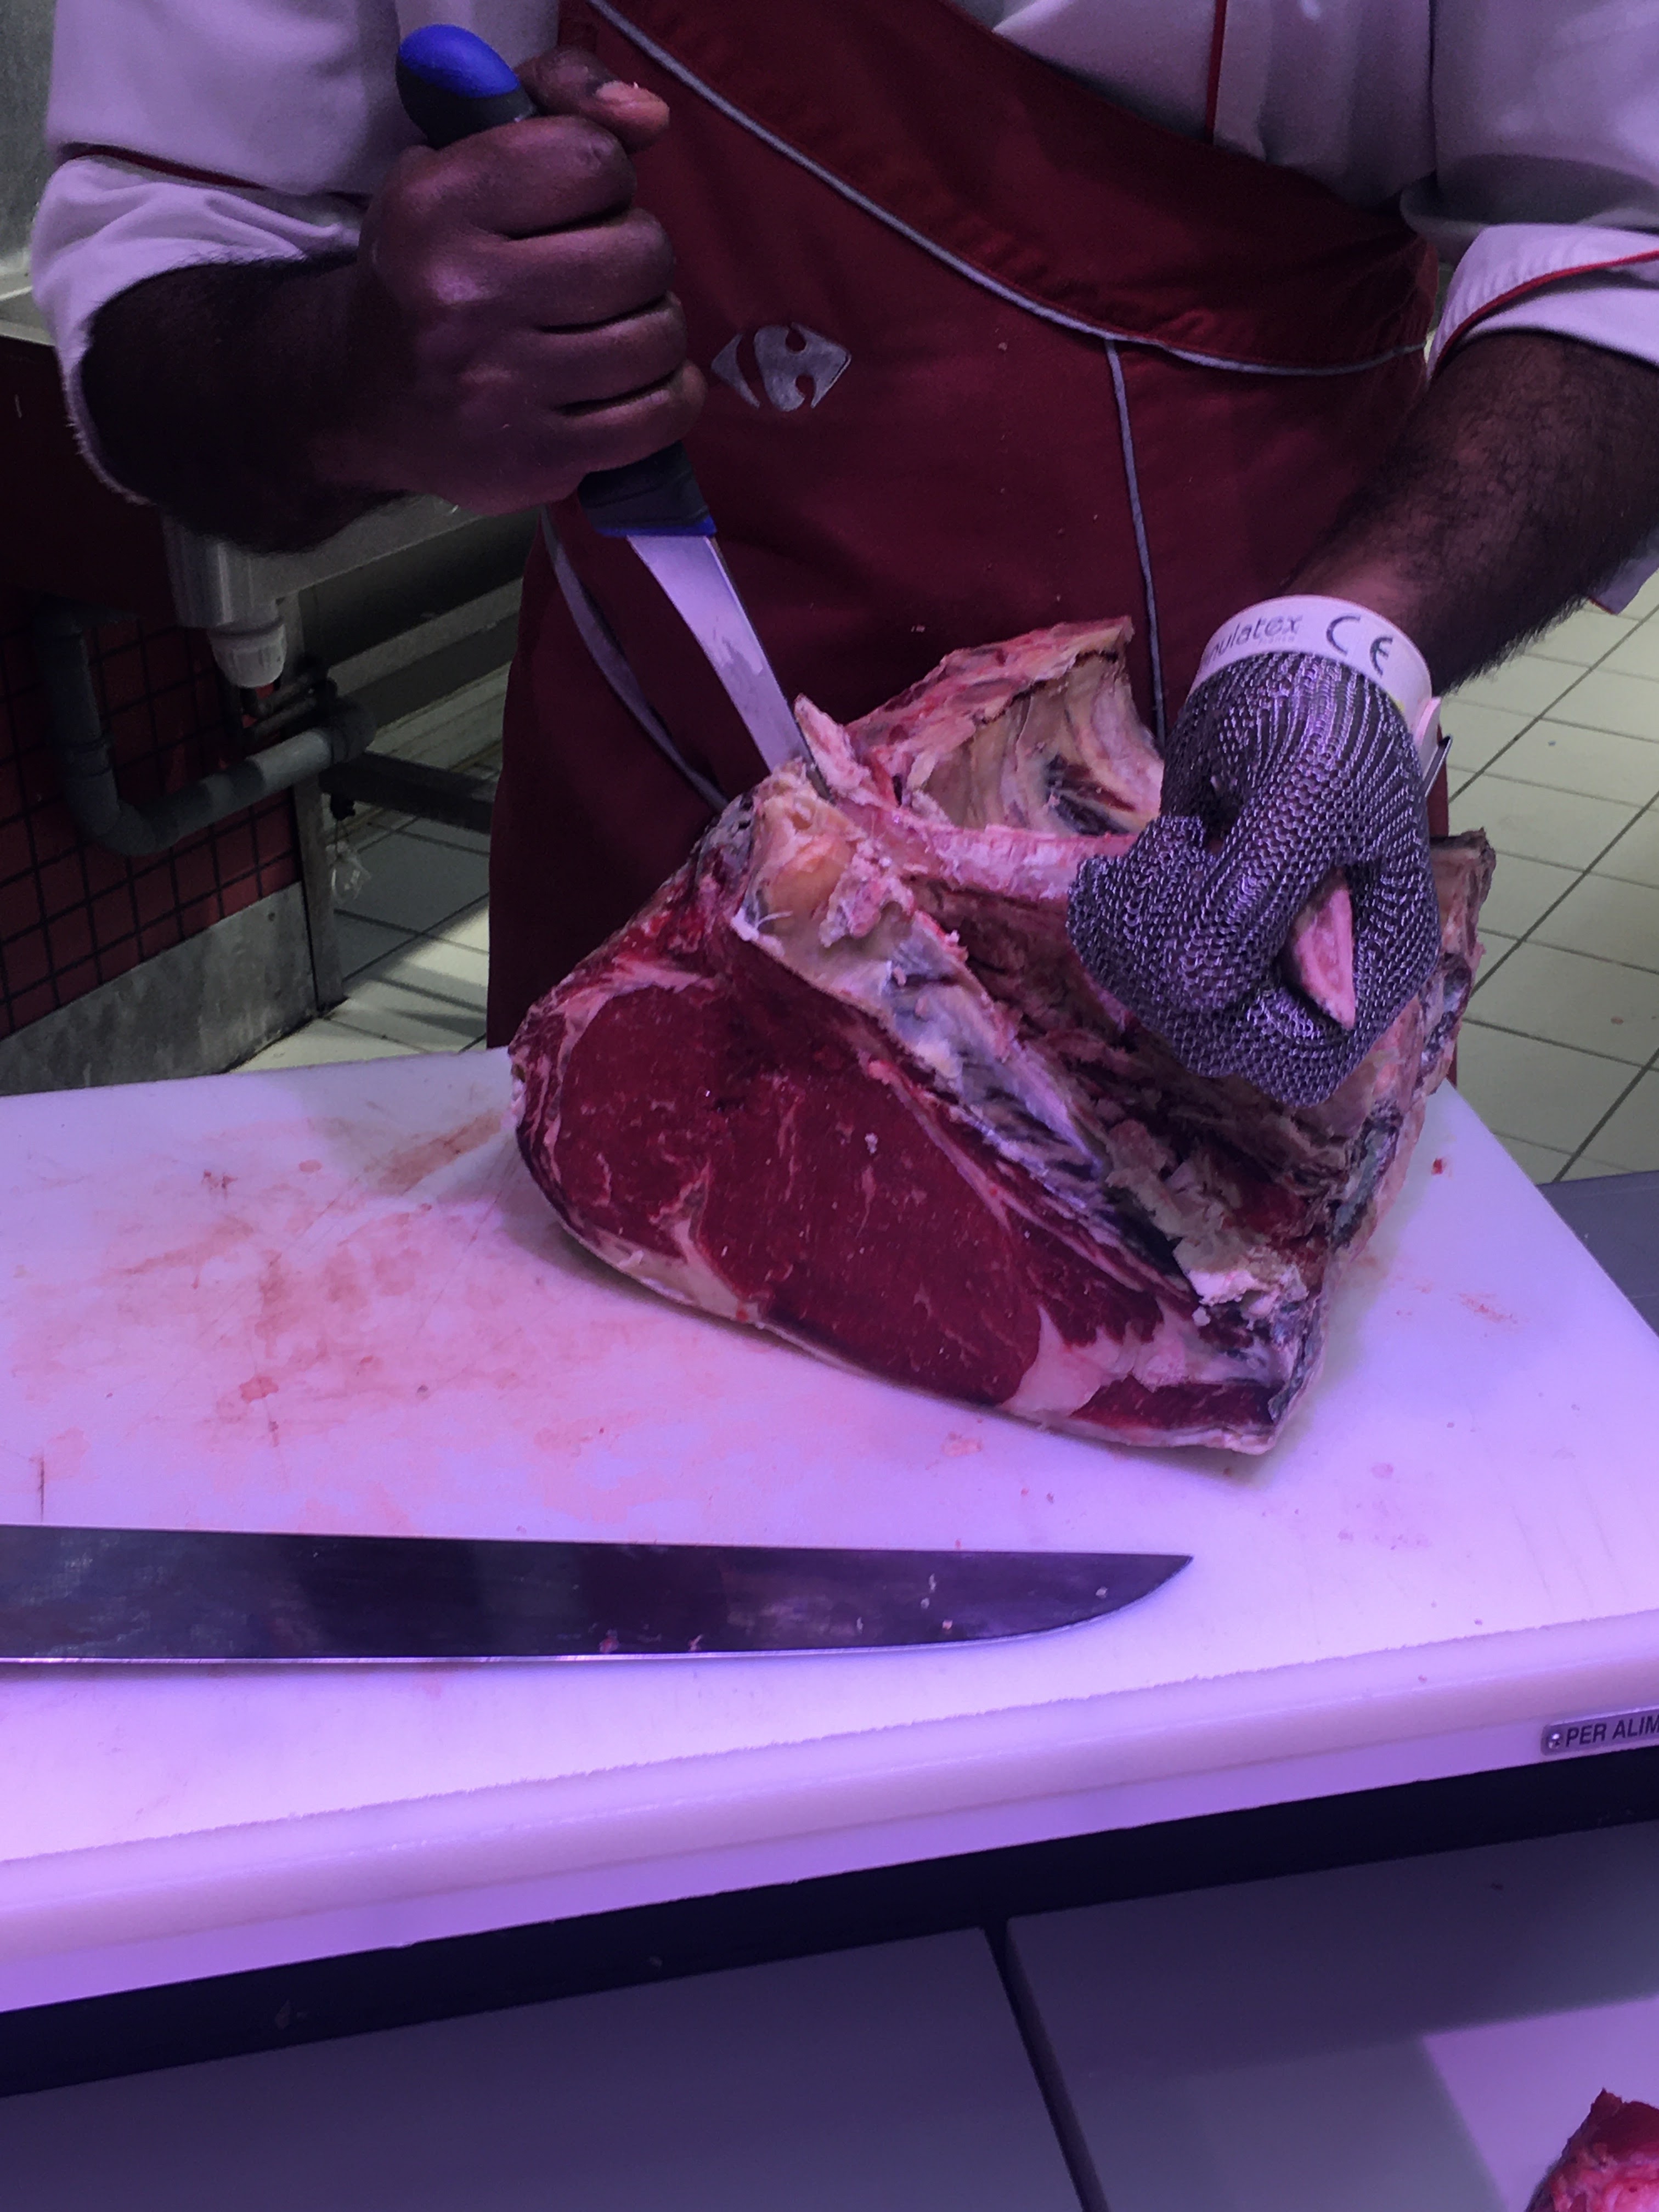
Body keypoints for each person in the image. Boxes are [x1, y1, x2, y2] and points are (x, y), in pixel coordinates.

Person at [31, 0, 1659, 1096]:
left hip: (1240, 798)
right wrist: (352, 373)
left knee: (1213, 1366)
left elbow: (1622, 229)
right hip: (654, 815)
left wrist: (1351, 645)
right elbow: (175, 249)